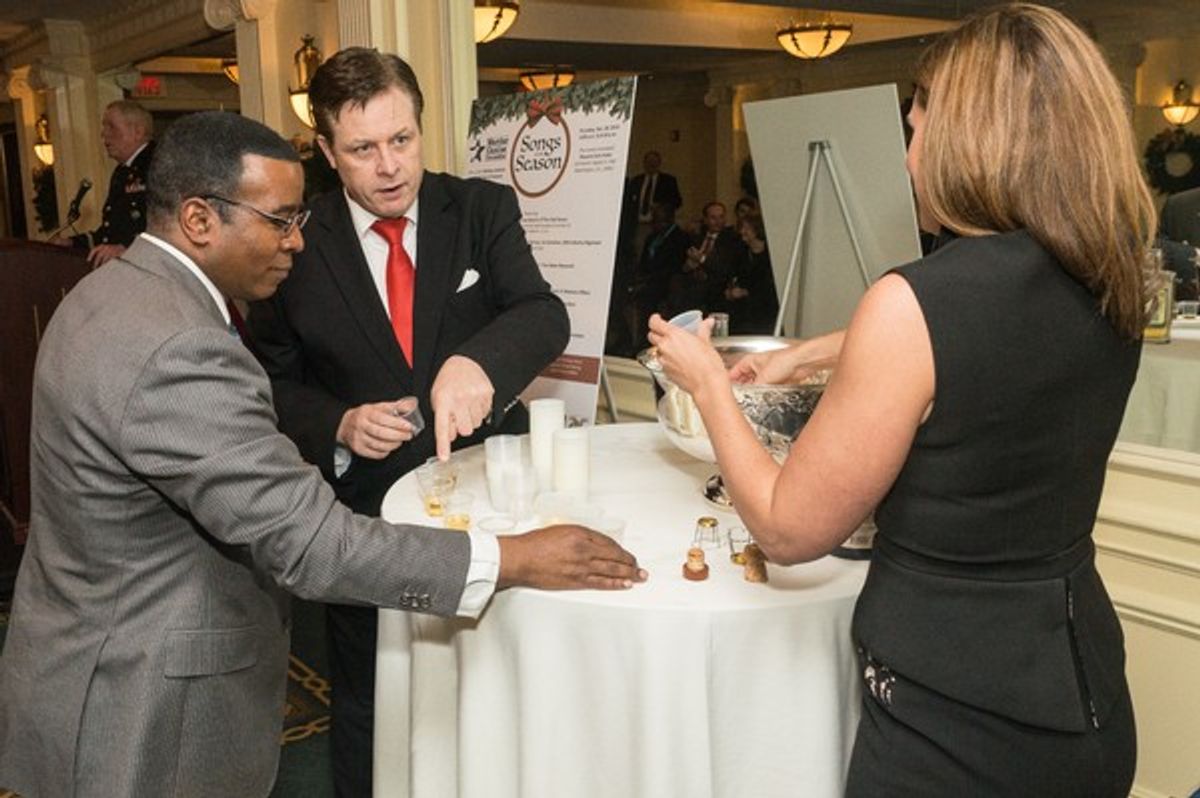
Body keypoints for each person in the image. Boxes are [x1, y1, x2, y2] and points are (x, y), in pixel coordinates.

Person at [0, 110, 644, 798]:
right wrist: (515, 558)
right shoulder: (178, 347)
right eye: (279, 220)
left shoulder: (110, 292)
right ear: (198, 219)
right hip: (143, 706)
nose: (297, 242)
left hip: (82, 661)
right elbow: (310, 545)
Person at [648, 5, 1150, 795]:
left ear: (969, 142)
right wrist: (805, 355)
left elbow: (785, 529)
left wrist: (710, 384)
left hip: (951, 725)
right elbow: (970, 349)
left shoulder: (917, 302)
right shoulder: (1109, 274)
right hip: (1081, 697)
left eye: (916, 132)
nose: (910, 162)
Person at [244, 48, 573, 797]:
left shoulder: (481, 210)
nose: (390, 166)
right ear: (327, 151)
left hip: (488, 508)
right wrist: (338, 423)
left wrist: (480, 363)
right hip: (364, 524)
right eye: (363, 149)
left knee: (492, 688)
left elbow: (542, 313)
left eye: (403, 140)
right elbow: (267, 381)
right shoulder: (293, 244)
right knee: (370, 699)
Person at [52, 100, 155, 267]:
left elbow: (170, 227)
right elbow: (110, 234)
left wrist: (127, 248)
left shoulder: (158, 164)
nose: (104, 134)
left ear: (137, 131)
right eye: (104, 127)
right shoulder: (122, 172)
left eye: (111, 127)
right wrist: (73, 243)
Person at [719, 212, 779, 335]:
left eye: (747, 228)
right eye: (742, 228)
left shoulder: (771, 254)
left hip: (764, 309)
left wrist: (745, 292)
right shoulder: (739, 251)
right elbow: (731, 274)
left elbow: (770, 285)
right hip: (741, 309)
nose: (742, 231)